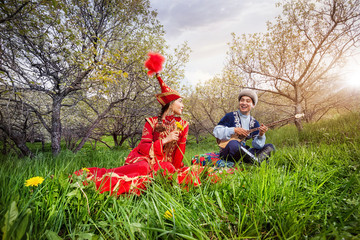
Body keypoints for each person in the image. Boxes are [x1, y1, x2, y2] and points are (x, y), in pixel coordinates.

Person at [74, 74, 199, 195]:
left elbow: (179, 154)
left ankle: (158, 177)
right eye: (180, 102)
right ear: (171, 104)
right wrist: (165, 140)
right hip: (146, 159)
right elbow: (144, 148)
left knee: (167, 168)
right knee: (143, 168)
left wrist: (175, 169)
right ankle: (101, 175)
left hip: (164, 164)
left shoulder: (183, 125)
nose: (183, 106)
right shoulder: (152, 122)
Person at [213, 89, 275, 164]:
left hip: (244, 150)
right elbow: (216, 131)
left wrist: (261, 135)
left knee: (270, 147)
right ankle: (255, 162)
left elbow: (257, 146)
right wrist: (234, 130)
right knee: (233, 144)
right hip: (229, 151)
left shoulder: (254, 122)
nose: (244, 103)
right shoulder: (230, 116)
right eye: (242, 100)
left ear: (253, 105)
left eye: (248, 101)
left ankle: (252, 161)